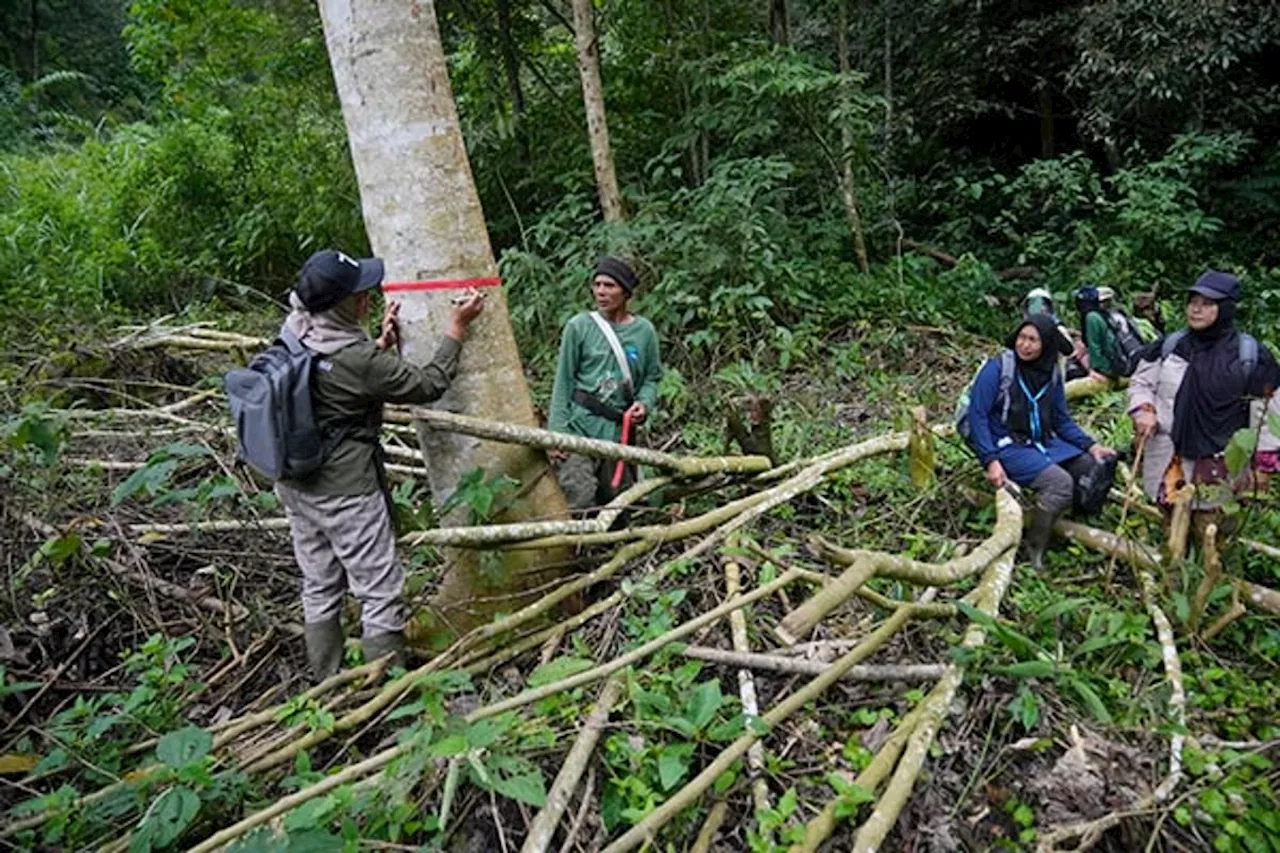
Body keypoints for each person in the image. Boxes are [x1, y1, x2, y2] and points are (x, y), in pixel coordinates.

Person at [276, 249, 485, 679]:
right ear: (340, 305)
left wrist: (378, 346)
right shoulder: (357, 361)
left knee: (319, 583)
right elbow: (428, 384)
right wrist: (455, 330)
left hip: (297, 484)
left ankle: (325, 684)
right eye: (358, 294)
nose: (366, 299)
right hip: (346, 492)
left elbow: (332, 378)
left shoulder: (294, 331)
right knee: (380, 589)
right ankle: (385, 695)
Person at [1128, 271, 1280, 539]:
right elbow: (1142, 382)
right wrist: (1144, 410)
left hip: (1221, 461)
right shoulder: (1172, 346)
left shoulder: (1250, 356)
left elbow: (1268, 412)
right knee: (1170, 523)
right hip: (1170, 456)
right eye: (1193, 301)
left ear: (1225, 309)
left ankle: (1214, 574)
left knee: (1213, 529)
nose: (1196, 309)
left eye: (1208, 303)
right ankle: (1172, 575)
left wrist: (1263, 466)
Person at [967, 314, 1117, 568]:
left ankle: (1063, 526)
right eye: (1022, 338)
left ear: (1046, 345)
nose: (1025, 345)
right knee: (1060, 484)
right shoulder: (998, 369)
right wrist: (990, 461)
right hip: (1005, 444)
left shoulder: (1051, 374)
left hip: (1040, 442)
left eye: (1033, 340)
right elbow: (977, 416)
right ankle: (1035, 547)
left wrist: (1091, 446)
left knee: (1091, 466)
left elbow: (1061, 421)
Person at [548, 257, 662, 511]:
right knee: (579, 493)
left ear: (625, 292)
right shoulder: (578, 327)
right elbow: (563, 381)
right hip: (579, 427)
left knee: (616, 500)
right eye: (597, 284)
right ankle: (579, 547)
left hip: (617, 432)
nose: (601, 292)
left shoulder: (644, 332)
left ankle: (611, 546)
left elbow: (652, 377)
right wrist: (557, 433)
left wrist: (644, 403)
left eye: (609, 285)